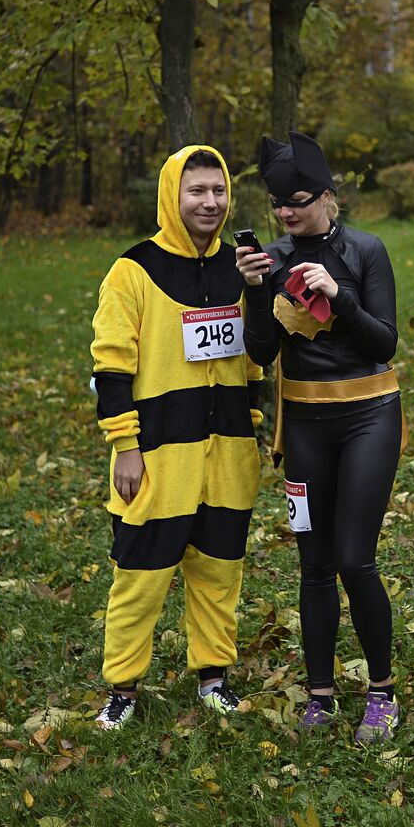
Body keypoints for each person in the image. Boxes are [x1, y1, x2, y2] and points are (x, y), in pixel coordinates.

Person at [235, 132, 403, 743]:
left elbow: (384, 341)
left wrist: (340, 296)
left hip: (368, 417)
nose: (287, 213)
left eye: (299, 200)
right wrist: (255, 290)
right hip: (304, 423)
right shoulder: (272, 258)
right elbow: (259, 353)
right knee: (314, 565)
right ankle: (320, 696)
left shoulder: (365, 250)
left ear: (329, 196)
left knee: (356, 559)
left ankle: (381, 693)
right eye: (278, 203)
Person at [90, 145, 264, 730]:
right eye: (197, 191)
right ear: (173, 195)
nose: (210, 202)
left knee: (219, 571)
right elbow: (111, 367)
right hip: (159, 454)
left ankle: (214, 677)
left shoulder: (240, 266)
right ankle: (122, 688)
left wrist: (257, 431)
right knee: (140, 575)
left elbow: (254, 362)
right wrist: (126, 446)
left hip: (228, 453)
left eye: (219, 191)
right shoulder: (132, 271)